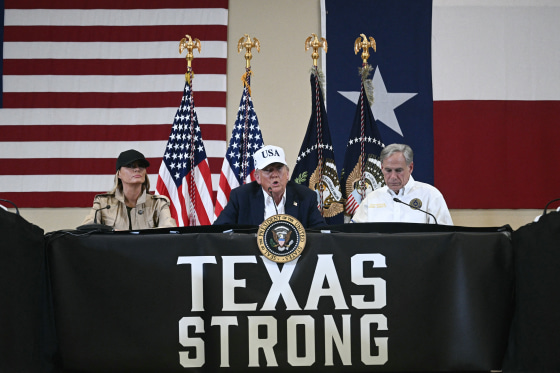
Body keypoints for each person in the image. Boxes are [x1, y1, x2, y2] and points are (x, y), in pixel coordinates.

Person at [214, 145, 326, 228]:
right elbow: (219, 230)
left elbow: (321, 233)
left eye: (279, 168)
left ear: (287, 174)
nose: (275, 174)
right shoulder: (241, 196)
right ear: (257, 177)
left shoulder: (305, 196)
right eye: (268, 170)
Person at [352, 143, 453, 225]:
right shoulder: (372, 199)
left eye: (398, 170)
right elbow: (354, 234)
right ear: (382, 168)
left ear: (411, 167)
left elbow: (444, 236)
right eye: (388, 170)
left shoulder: (430, 195)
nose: (393, 177)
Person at [82, 149, 176, 230]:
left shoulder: (158, 204)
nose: (137, 169)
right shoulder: (103, 203)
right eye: (130, 166)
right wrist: (112, 232)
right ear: (119, 174)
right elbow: (87, 230)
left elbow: (169, 232)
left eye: (141, 165)